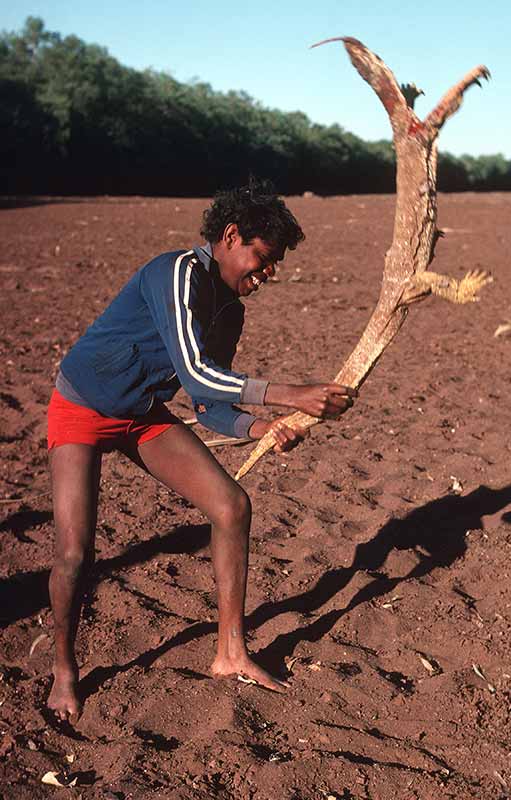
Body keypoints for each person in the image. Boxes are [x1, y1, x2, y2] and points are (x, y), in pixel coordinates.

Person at [46, 179, 355, 721]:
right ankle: (64, 670)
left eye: (275, 265)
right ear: (231, 235)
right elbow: (195, 371)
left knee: (231, 506)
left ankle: (230, 652)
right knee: (75, 553)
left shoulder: (229, 310)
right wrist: (292, 393)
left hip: (140, 415)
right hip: (81, 408)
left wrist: (264, 429)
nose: (267, 275)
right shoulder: (176, 273)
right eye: (262, 258)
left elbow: (208, 403)